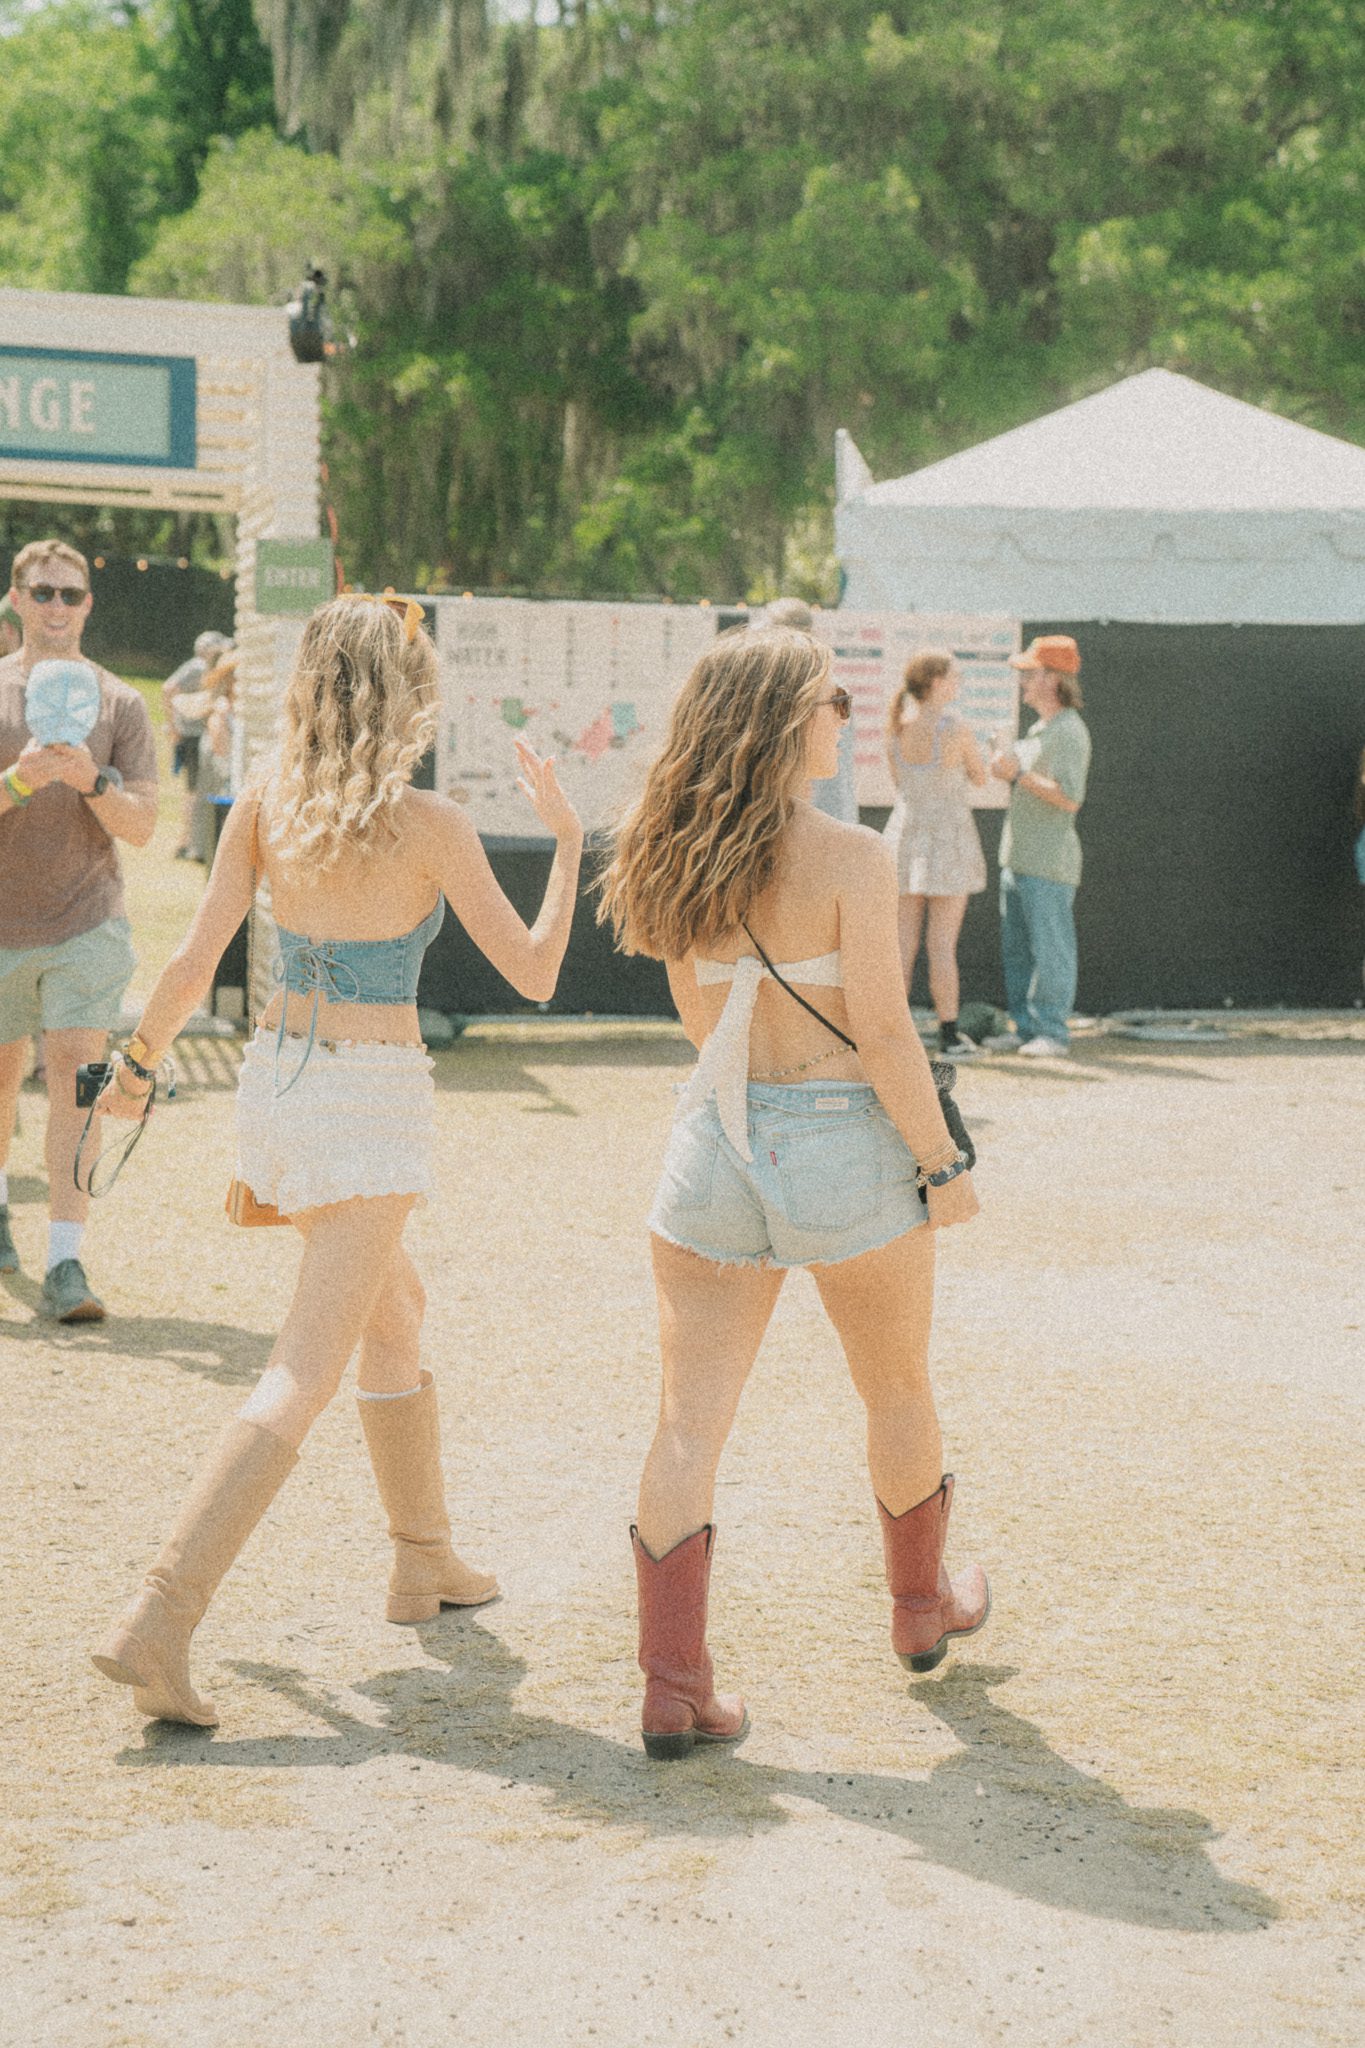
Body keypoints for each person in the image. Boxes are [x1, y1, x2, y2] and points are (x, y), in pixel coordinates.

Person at [90, 594, 584, 1728]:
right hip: (369, 1110)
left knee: (394, 1306)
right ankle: (159, 1615)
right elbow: (538, 973)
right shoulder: (434, 826)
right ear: (404, 697)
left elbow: (190, 955)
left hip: (279, 1090)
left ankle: (425, 1556)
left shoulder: (264, 805)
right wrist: (564, 839)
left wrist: (137, 1064)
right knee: (299, 1370)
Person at [597, 626, 987, 1762]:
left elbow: (693, 1020)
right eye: (831, 701)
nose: (844, 720)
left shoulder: (667, 850)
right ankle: (923, 1607)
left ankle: (674, 1683)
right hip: (844, 1148)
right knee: (896, 1386)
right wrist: (943, 1162)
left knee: (685, 1422)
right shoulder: (852, 858)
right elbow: (879, 1026)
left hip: (714, 1145)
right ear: (781, 718)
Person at [0, 538, 158, 1318]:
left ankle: (66, 1261)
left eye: (71, 594)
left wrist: (92, 780)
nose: (57, 607)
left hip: (87, 921)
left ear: (89, 604)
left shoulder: (121, 703)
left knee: (73, 1077)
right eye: (43, 592)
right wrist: (18, 780)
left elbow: (144, 824)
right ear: (16, 598)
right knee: (0, 1078)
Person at [987, 635, 1091, 1059]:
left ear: (1052, 678)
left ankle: (1052, 1032)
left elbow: (1070, 798)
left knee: (1051, 951)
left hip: (1048, 863)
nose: (1022, 682)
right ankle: (1027, 1028)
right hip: (1019, 858)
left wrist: (1016, 774)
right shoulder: (1041, 728)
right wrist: (1008, 766)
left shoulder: (1069, 731)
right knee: (1019, 952)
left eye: (1029, 674)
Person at [882, 650, 988, 1060]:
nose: (958, 681)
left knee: (901, 943)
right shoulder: (956, 728)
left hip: (906, 837)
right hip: (948, 838)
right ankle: (948, 1034)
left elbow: (898, 783)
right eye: (953, 676)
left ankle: (893, 1032)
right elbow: (979, 777)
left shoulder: (895, 726)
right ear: (936, 682)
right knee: (942, 944)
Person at [164, 631, 230, 860]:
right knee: (195, 792)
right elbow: (168, 689)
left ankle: (189, 842)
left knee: (195, 791)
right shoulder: (197, 667)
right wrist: (173, 726)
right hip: (193, 736)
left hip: (195, 736)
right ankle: (187, 843)